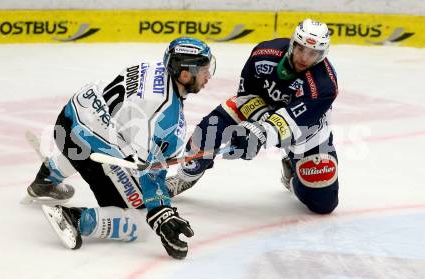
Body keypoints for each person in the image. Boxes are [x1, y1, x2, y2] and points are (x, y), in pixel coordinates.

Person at [24, 37, 216, 260]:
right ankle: (74, 218)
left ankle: (46, 180)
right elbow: (150, 173)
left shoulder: (152, 67)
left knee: (104, 142)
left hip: (69, 118)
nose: (208, 76)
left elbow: (128, 123)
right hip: (90, 150)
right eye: (204, 70)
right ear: (184, 74)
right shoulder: (167, 117)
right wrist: (161, 213)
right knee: (140, 219)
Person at [166, 19, 339, 214]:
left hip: (306, 132)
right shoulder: (264, 54)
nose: (304, 58)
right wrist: (256, 122)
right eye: (301, 49)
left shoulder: (324, 85)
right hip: (262, 109)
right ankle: (186, 175)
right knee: (212, 126)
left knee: (323, 204)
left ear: (322, 55)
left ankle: (293, 173)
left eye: (313, 54)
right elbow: (246, 96)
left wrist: (258, 132)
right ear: (293, 43)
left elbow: (291, 122)